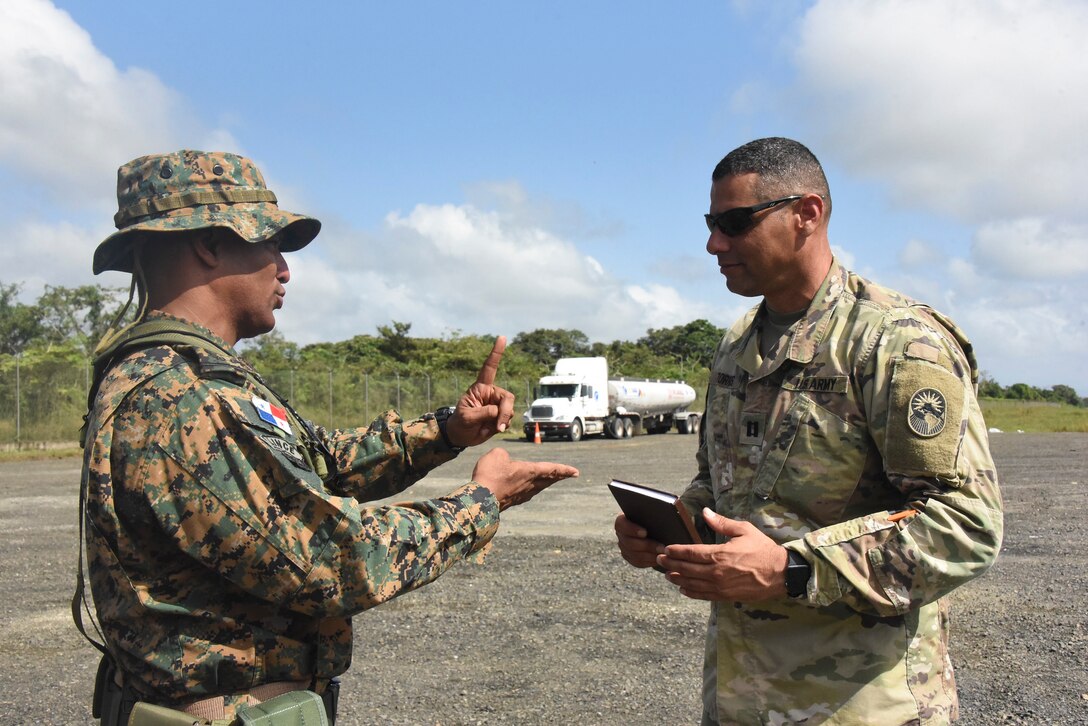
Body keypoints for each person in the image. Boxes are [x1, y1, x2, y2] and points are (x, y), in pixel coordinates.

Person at [75, 149, 579, 725]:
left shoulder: (186, 377)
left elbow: (313, 463)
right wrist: (481, 502)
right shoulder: (180, 394)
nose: (285, 269)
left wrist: (445, 431)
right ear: (209, 244)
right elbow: (331, 561)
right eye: (270, 244)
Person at [614, 137, 1002, 725]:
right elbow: (718, 485)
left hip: (865, 703)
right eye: (711, 223)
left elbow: (965, 524)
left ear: (807, 214)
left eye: (736, 223)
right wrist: (677, 526)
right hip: (743, 695)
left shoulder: (896, 343)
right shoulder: (739, 344)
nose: (715, 243)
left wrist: (791, 570)